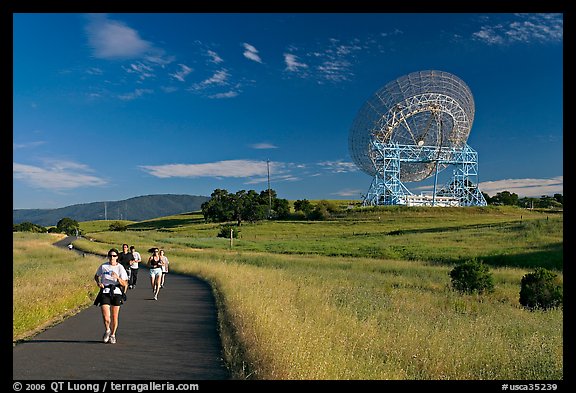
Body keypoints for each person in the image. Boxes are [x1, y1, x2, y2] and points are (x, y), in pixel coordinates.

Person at [93, 248, 129, 344]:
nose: (112, 257)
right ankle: (107, 330)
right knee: (106, 317)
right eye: (110, 255)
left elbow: (125, 283)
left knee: (114, 317)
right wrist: (99, 283)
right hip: (105, 291)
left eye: (114, 256)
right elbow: (96, 276)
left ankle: (113, 335)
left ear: (117, 257)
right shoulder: (104, 266)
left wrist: (117, 278)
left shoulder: (120, 268)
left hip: (116, 292)